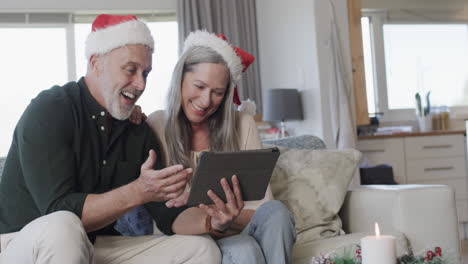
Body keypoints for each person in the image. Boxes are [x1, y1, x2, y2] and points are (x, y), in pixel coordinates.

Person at [0, 14, 221, 264]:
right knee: (64, 225)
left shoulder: (137, 130)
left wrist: (212, 221)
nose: (139, 84)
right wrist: (139, 191)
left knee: (202, 248)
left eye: (145, 74)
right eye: (130, 70)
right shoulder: (50, 109)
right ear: (96, 63)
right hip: (23, 244)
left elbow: (169, 215)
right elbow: (58, 209)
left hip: (94, 245)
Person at [146, 30, 297, 264]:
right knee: (244, 249)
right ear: (180, 79)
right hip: (190, 237)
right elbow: (164, 212)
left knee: (278, 212)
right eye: (199, 86)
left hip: (239, 229)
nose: (206, 101)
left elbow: (261, 211)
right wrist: (212, 216)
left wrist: (223, 215)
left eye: (217, 92)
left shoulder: (243, 124)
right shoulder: (156, 124)